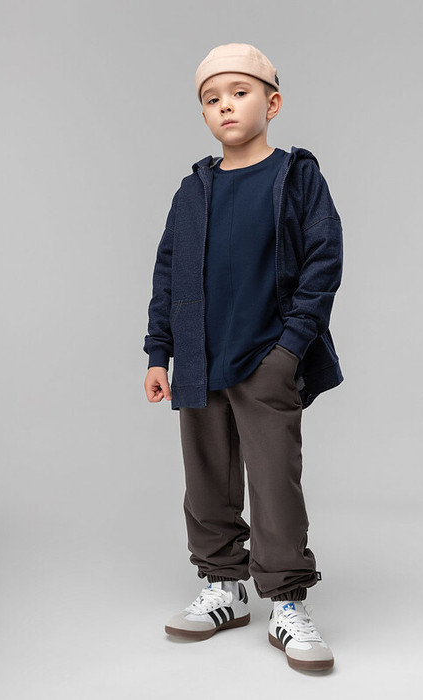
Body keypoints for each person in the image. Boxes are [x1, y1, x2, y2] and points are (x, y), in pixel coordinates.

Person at [143, 43, 344, 672]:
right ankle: (223, 587)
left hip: (267, 357)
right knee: (206, 477)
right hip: (198, 358)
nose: (225, 106)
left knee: (275, 481)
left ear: (272, 102)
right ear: (203, 113)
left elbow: (324, 261)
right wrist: (158, 352)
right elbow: (168, 272)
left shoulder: (296, 176)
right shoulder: (192, 190)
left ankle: (286, 601)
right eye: (212, 99)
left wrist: (291, 349)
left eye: (240, 92)